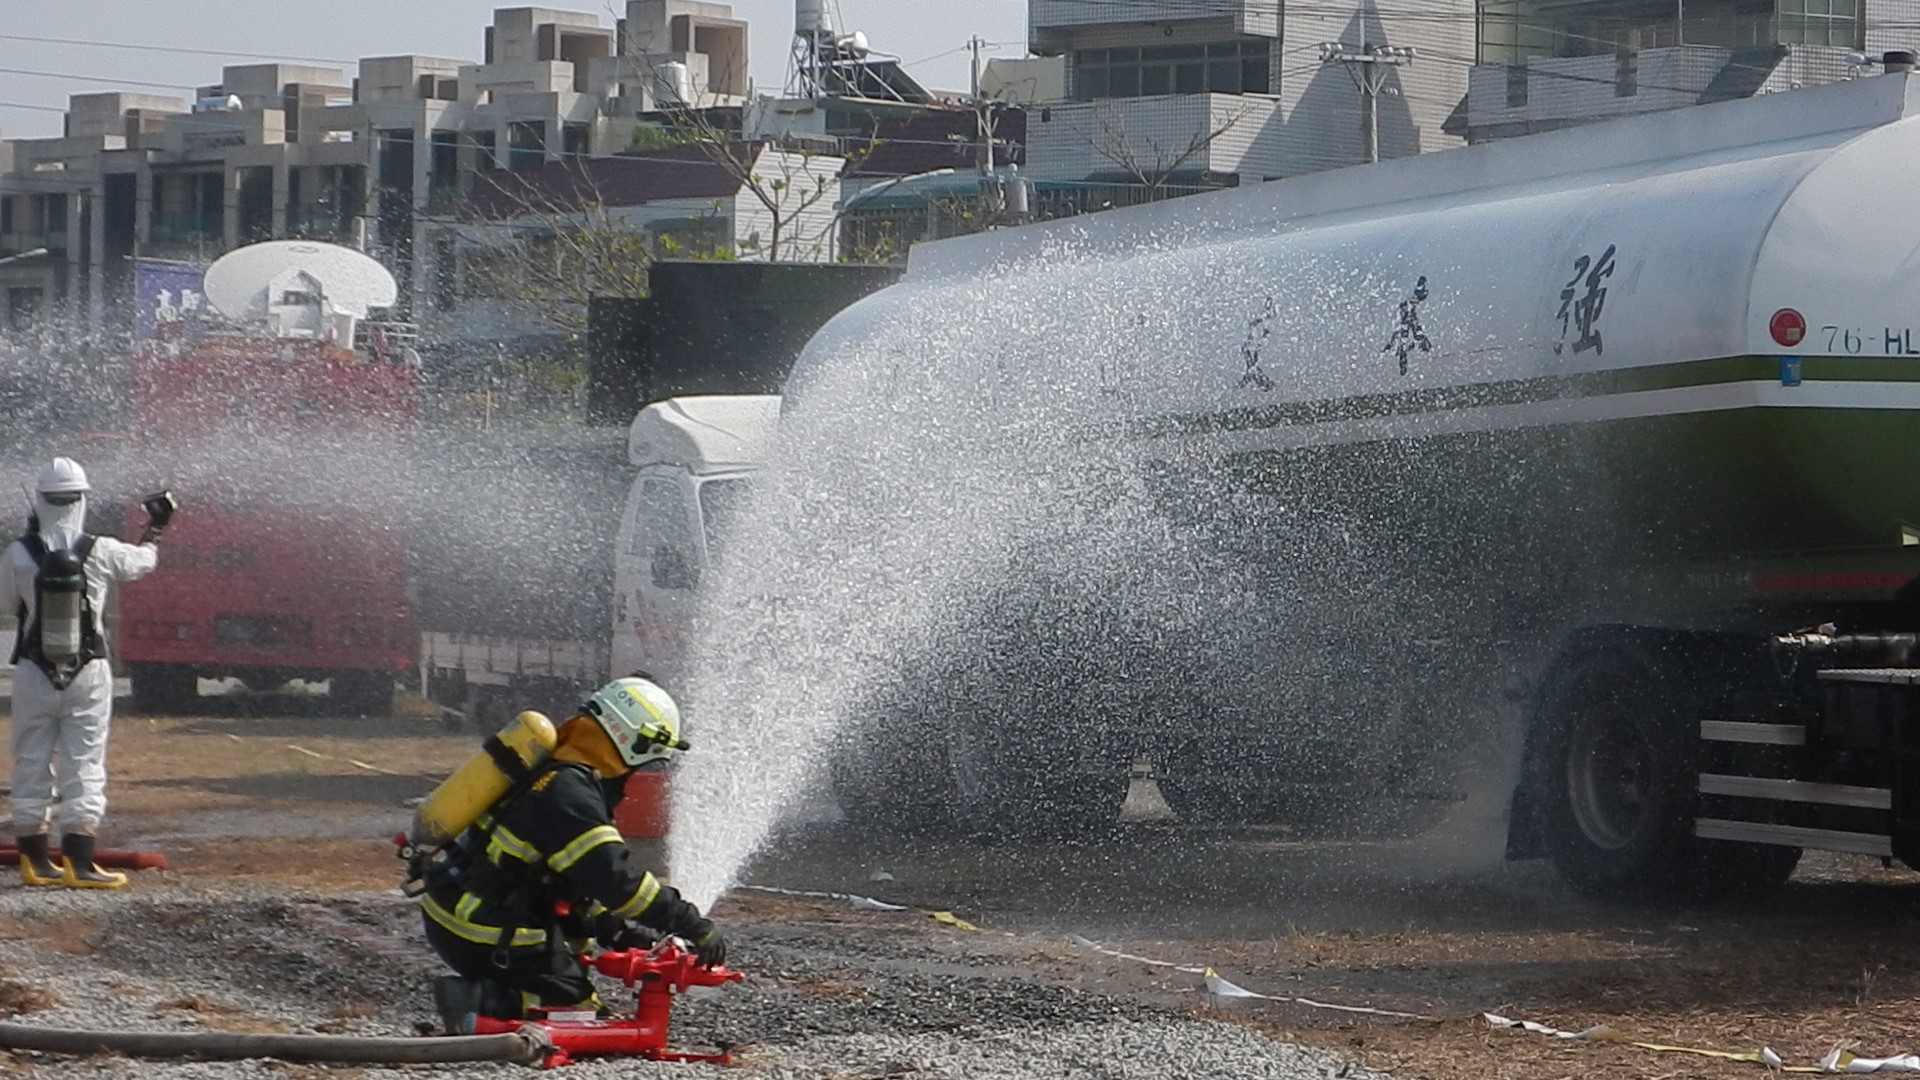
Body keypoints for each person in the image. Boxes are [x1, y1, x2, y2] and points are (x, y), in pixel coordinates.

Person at [422, 675, 727, 1033]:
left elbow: (573, 876)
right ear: (632, 742)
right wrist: (689, 922)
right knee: (577, 1014)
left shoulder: (560, 767)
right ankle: (474, 1002)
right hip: (479, 928)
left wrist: (615, 930)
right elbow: (616, 881)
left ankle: (494, 998)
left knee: (576, 993)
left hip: (460, 909)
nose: (637, 773)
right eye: (646, 759)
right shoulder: (570, 795)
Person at [3, 458, 169, 889]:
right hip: (89, 672)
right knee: (85, 763)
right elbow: (143, 563)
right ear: (82, 500)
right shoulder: (102, 550)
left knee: (30, 760)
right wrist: (155, 529)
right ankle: (80, 863)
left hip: (34, 672)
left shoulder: (19, 553)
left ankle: (35, 863)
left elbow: (4, 606)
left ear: (40, 499)